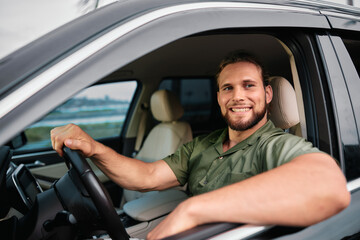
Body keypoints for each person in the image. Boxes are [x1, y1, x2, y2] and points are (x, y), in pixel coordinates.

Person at [51, 51, 350, 240]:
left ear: (268, 94)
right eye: (227, 88)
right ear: (219, 96)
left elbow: (329, 185)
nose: (238, 96)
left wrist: (193, 209)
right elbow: (146, 176)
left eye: (249, 85)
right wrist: (93, 147)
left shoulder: (276, 145)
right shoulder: (202, 145)